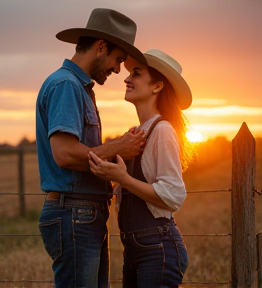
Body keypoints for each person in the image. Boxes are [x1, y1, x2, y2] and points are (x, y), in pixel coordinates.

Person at [36, 8, 147, 288]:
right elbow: (65, 153)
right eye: (118, 59)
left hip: (83, 214)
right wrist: (118, 146)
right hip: (75, 214)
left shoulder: (78, 88)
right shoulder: (66, 86)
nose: (118, 69)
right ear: (100, 47)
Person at [89, 49, 194, 288]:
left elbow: (173, 195)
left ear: (157, 87)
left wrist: (123, 179)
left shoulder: (163, 131)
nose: (126, 79)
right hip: (135, 251)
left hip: (158, 250)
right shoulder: (139, 131)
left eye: (136, 73)